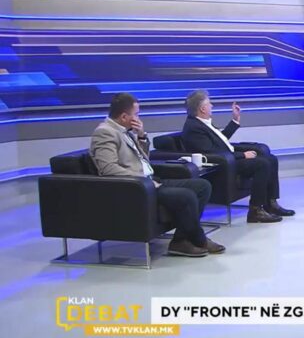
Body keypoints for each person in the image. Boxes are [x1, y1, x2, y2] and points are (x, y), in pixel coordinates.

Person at [90, 93, 224, 257]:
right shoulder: (105, 133)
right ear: (124, 116)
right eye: (136, 114)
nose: (138, 118)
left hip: (151, 181)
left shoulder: (125, 130)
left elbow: (142, 159)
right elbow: (108, 169)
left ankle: (180, 240)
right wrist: (141, 180)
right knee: (186, 196)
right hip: (136, 187)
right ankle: (199, 239)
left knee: (202, 186)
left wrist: (141, 136)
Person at [181, 90, 294, 224]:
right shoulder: (193, 127)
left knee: (271, 159)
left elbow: (221, 141)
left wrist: (235, 120)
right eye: (209, 103)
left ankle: (271, 203)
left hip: (228, 158)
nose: (212, 106)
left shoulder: (203, 122)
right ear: (202, 109)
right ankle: (255, 211)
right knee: (262, 164)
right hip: (223, 166)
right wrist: (242, 155)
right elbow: (211, 152)